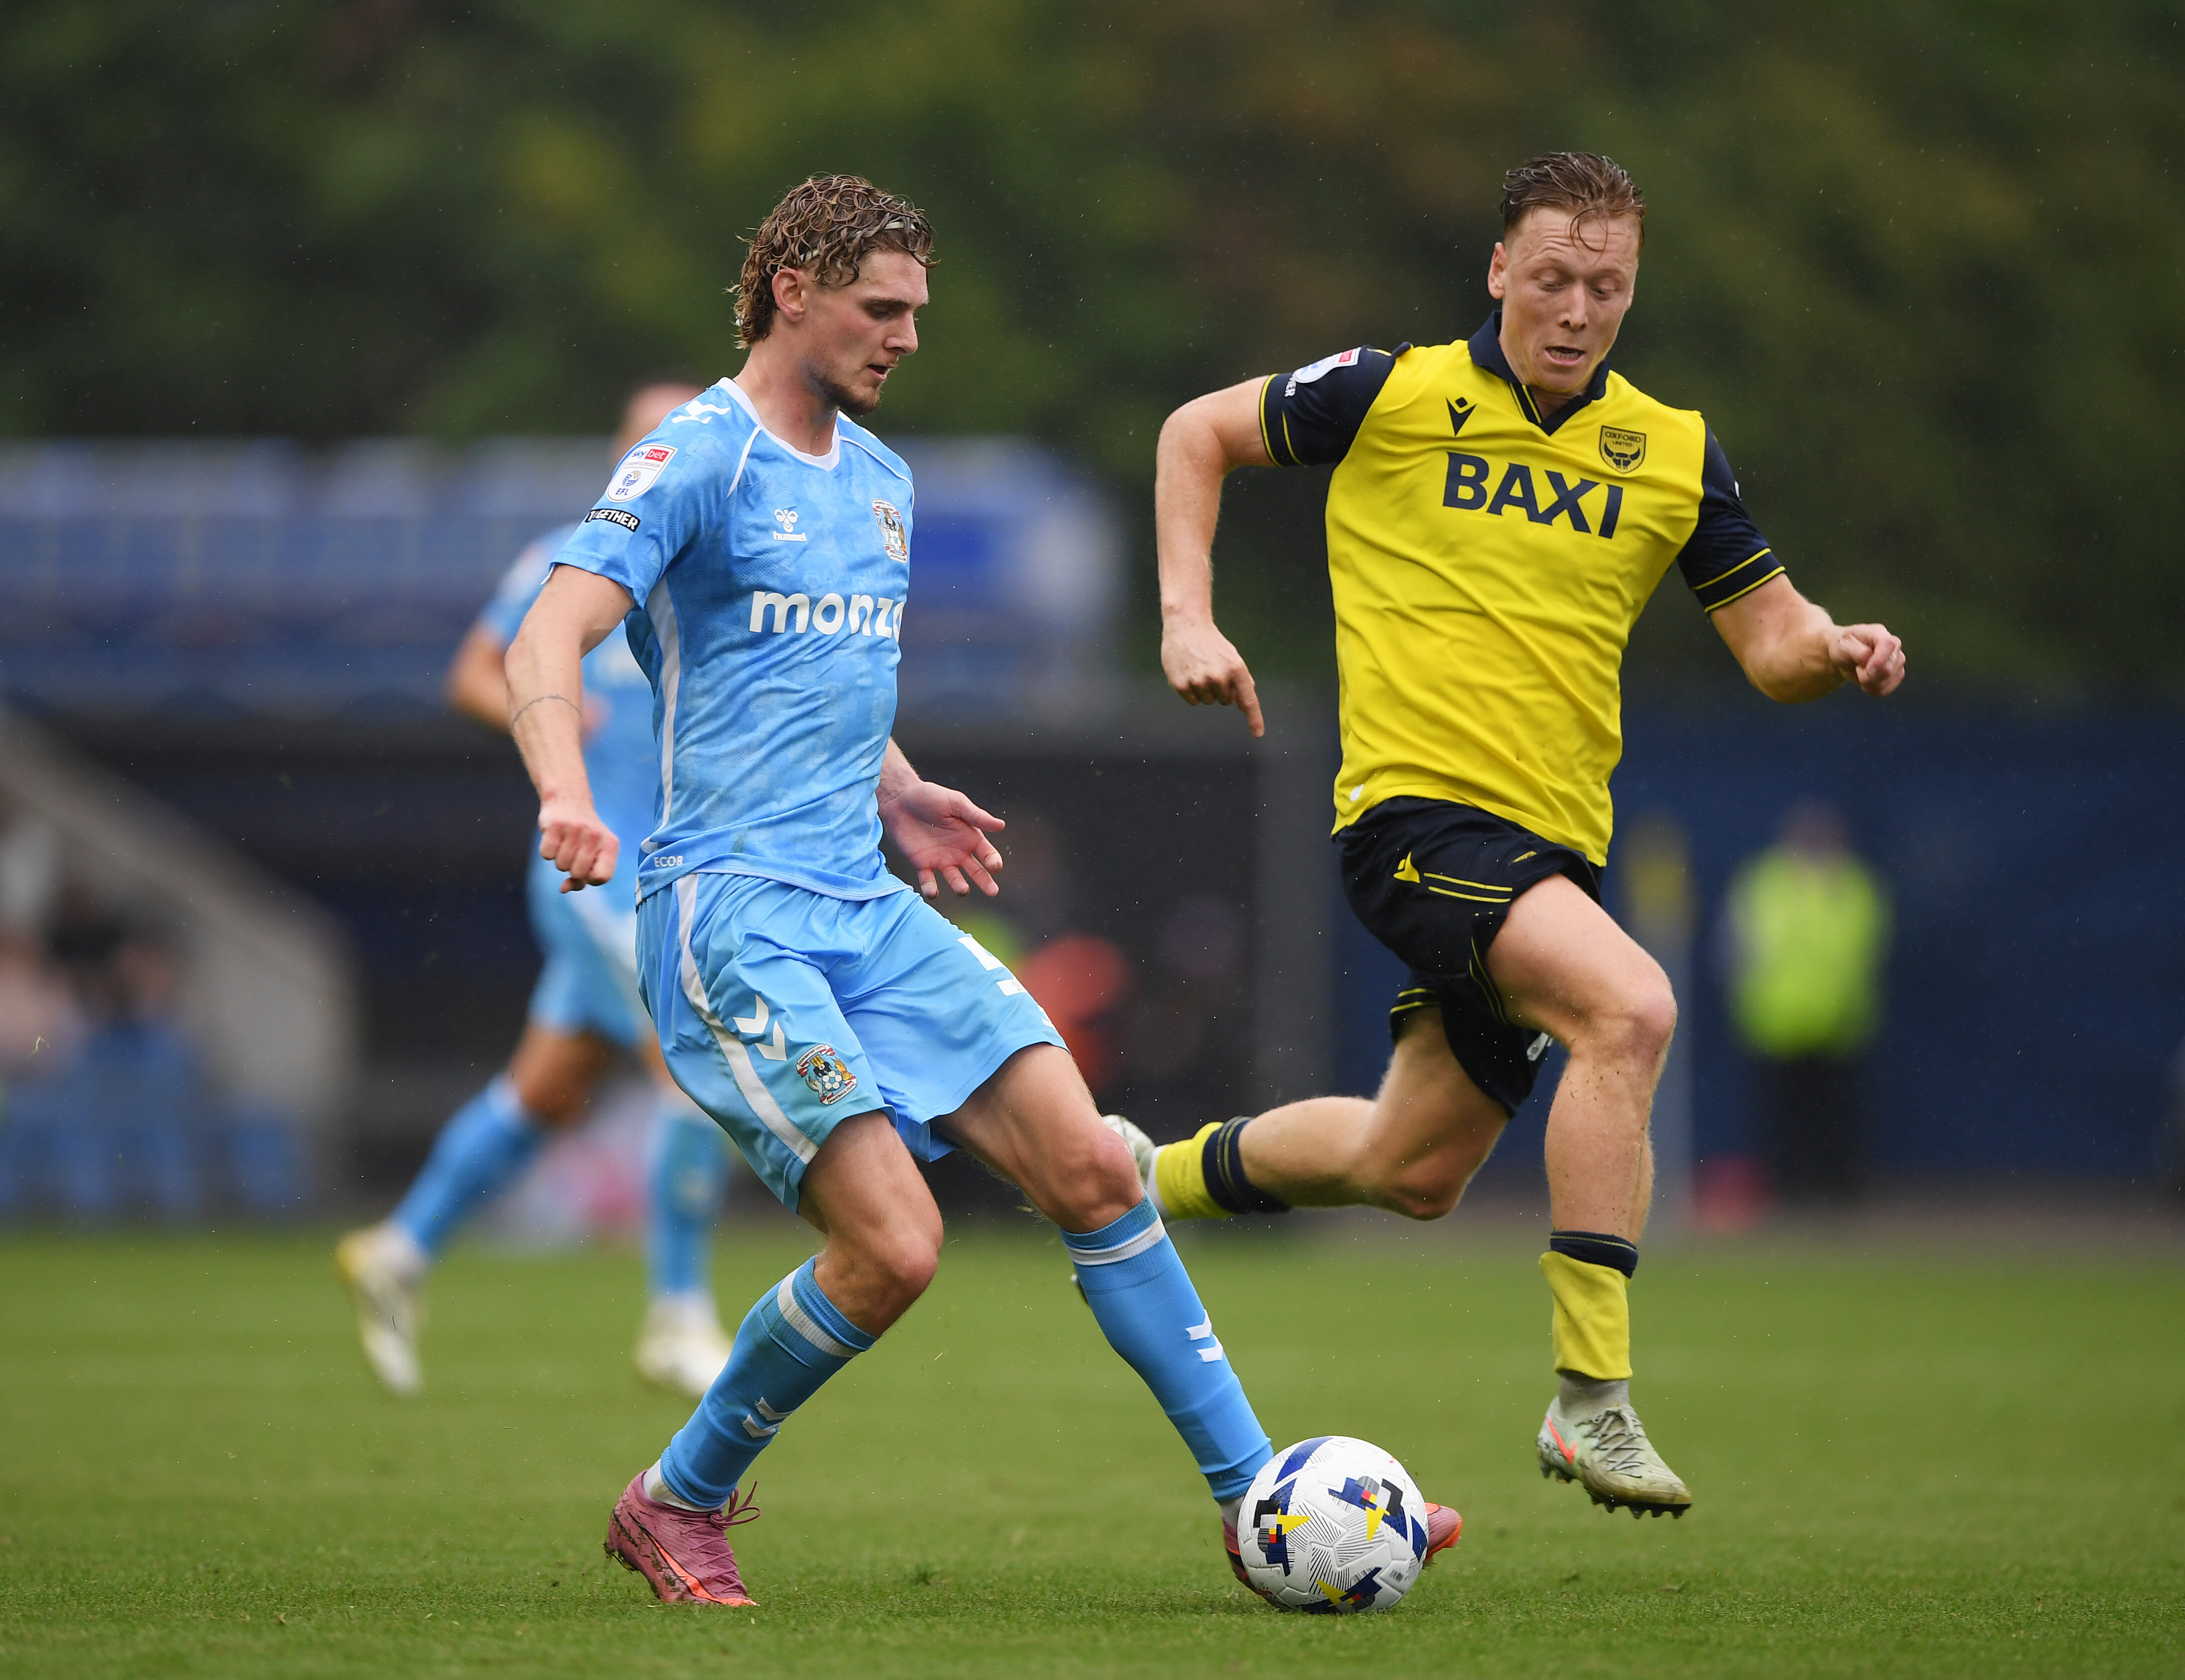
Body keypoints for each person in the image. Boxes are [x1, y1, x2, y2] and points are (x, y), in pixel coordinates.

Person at [501, 174, 1459, 1607]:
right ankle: (673, 1500)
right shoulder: (694, 458)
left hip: (866, 905)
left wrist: (893, 784)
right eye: (880, 309)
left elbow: (809, 671)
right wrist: (567, 792)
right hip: (733, 917)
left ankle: (1255, 1498)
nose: (903, 337)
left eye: (914, 313)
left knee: (1088, 1165)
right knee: (893, 1249)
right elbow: (546, 636)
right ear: (789, 292)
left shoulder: (879, 484)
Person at [1119, 152, 1908, 1519]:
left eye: (1606, 286)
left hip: (1550, 849)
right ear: (1497, 269)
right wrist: (1187, 616)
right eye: (1551, 277)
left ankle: (1134, 1175)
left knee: (1405, 1166)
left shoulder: (1669, 448)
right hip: (1412, 817)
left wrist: (1829, 647)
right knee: (1632, 1008)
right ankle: (1588, 1400)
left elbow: (1766, 646)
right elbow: (1195, 431)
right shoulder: (1393, 391)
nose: (1577, 309)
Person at [336, 381, 741, 1401]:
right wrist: (547, 713)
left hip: (675, 869)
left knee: (545, 1089)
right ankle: (678, 1309)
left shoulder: (721, 569)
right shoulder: (574, 559)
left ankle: (401, 1246)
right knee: (693, 1057)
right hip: (594, 866)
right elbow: (476, 671)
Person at [1724, 801, 1892, 1204]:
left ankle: (1838, 1197)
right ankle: (1790, 1195)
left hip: (1838, 1024)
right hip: (1777, 1023)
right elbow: (1735, 948)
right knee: (1784, 1122)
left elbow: (1869, 950)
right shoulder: (1765, 882)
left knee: (1838, 1121)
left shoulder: (1855, 885)